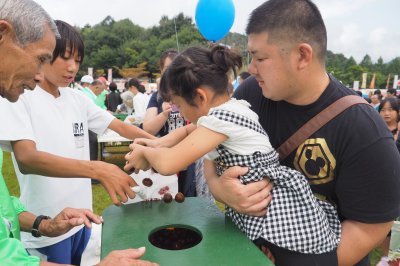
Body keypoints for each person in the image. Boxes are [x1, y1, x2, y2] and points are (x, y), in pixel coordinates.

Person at [128, 1, 400, 265]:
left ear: (302, 55)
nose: (252, 69)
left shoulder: (363, 128)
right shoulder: (251, 95)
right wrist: (220, 188)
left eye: (260, 58)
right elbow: (206, 142)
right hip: (253, 246)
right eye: (250, 58)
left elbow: (371, 225)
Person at [126, 45, 342, 263]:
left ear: (200, 97)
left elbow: (168, 164)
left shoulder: (221, 120)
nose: (180, 113)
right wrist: (158, 143)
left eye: (180, 106)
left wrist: (144, 153)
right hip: (272, 217)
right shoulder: (234, 108)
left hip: (283, 227)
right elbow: (188, 130)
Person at [0, 0, 157, 265]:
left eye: (78, 60)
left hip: (72, 219)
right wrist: (96, 169)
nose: (72, 67)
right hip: (45, 228)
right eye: (45, 58)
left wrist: (162, 144)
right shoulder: (18, 95)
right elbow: (27, 158)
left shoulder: (76, 99)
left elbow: (118, 125)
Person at [142, 49, 196, 196]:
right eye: (167, 69)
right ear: (161, 71)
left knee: (188, 197)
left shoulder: (192, 94)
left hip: (190, 155)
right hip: (165, 155)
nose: (172, 73)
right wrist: (164, 114)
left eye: (176, 68)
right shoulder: (157, 97)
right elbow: (148, 129)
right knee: (165, 197)